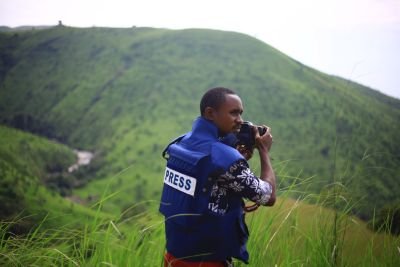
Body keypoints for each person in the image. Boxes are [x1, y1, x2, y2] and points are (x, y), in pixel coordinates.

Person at [160, 87, 276, 266]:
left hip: (172, 256)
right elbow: (267, 196)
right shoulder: (226, 158)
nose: (240, 121)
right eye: (234, 113)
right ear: (210, 113)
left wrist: (237, 159)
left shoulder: (181, 143)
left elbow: (204, 185)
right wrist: (264, 151)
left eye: (241, 113)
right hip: (207, 262)